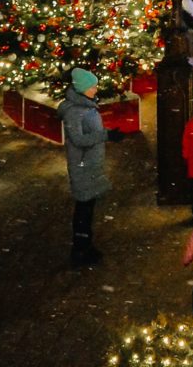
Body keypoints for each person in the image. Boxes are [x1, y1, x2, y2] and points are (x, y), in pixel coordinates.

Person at [60, 67, 112, 265]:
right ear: (82, 89)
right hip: (82, 165)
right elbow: (78, 139)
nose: (96, 89)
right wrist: (106, 135)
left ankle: (85, 246)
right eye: (93, 87)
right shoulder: (75, 111)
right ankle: (80, 250)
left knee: (87, 208)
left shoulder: (86, 106)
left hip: (89, 163)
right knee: (83, 209)